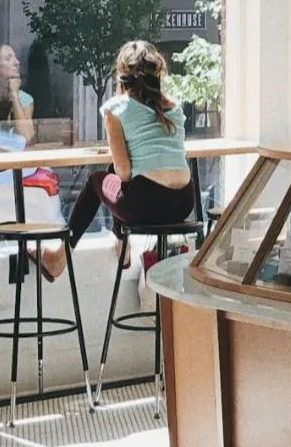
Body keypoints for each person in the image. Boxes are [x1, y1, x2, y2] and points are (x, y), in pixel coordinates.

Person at [35, 40, 192, 281]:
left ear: (122, 75)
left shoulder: (116, 107)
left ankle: (60, 257)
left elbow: (124, 171)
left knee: (97, 180)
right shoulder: (175, 107)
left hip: (145, 206)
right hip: (183, 203)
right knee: (118, 181)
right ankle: (121, 246)